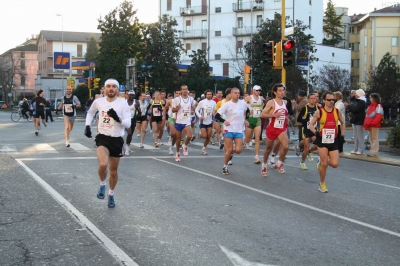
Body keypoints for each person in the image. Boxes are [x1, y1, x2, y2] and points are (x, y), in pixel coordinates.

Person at [84, 78, 131, 208]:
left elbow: (128, 123)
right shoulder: (99, 101)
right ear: (104, 89)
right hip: (103, 138)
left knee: (113, 172)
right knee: (103, 165)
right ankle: (102, 185)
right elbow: (90, 112)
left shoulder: (123, 103)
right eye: (108, 86)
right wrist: (88, 125)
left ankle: (111, 194)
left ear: (117, 90)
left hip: (117, 139)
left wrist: (118, 119)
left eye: (114, 86)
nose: (111, 89)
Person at [309, 91, 345, 193]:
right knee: (325, 163)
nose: (331, 102)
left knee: (335, 164)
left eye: (333, 100)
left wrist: (342, 135)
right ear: (324, 100)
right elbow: (311, 125)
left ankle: (321, 163)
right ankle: (322, 183)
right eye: (329, 100)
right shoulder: (319, 112)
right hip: (322, 140)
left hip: (333, 140)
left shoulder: (337, 111)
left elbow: (342, 123)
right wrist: (315, 132)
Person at [215, 87, 248, 174]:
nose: (237, 95)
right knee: (229, 149)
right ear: (231, 94)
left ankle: (230, 154)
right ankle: (225, 167)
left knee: (238, 150)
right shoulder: (227, 104)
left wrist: (246, 120)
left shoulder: (243, 103)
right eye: (235, 93)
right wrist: (224, 121)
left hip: (239, 130)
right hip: (228, 129)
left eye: (238, 93)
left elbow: (247, 111)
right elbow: (217, 115)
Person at [261, 84, 289, 177]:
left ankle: (279, 163)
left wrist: (286, 119)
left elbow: (284, 114)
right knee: (268, 149)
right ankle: (264, 165)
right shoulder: (271, 102)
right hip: (272, 128)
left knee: (285, 146)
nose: (282, 92)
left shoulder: (284, 102)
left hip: (281, 128)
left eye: (283, 90)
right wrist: (274, 115)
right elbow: (262, 114)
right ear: (275, 92)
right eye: (280, 90)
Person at [171, 84, 195, 162]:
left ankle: (185, 145)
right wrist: (177, 108)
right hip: (178, 121)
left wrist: (192, 110)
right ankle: (177, 153)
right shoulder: (177, 99)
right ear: (181, 91)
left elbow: (193, 106)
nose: (185, 90)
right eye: (183, 89)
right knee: (178, 139)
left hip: (187, 121)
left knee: (189, 136)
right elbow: (173, 110)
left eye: (186, 89)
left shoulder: (191, 99)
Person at [296, 93, 319, 170]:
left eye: (314, 98)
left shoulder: (317, 108)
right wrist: (306, 119)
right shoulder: (305, 108)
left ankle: (310, 151)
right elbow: (299, 119)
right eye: (311, 98)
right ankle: (302, 162)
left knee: (318, 145)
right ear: (308, 99)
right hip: (306, 129)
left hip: (313, 129)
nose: (313, 100)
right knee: (306, 147)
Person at [244, 85, 264, 164]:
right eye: (257, 90)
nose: (258, 92)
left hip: (257, 120)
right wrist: (246, 116)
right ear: (253, 90)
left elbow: (262, 108)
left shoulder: (261, 98)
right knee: (248, 139)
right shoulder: (248, 98)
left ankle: (256, 156)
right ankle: (244, 142)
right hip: (250, 120)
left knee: (257, 138)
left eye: (259, 90)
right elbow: (242, 107)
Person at [195, 89, 216, 155]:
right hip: (203, 121)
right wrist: (200, 116)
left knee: (208, 136)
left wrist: (214, 114)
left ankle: (203, 149)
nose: (209, 95)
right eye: (208, 94)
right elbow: (196, 110)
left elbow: (214, 111)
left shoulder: (213, 102)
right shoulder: (202, 102)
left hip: (209, 121)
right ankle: (201, 133)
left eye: (210, 94)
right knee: (204, 136)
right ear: (205, 95)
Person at [346, 89, 366, 155]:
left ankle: (360, 149)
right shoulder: (357, 101)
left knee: (359, 135)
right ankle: (355, 148)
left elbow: (355, 109)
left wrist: (348, 106)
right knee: (355, 135)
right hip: (355, 120)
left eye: (356, 94)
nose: (355, 95)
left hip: (359, 120)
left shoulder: (362, 102)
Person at [124, 90, 138, 155]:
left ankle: (127, 146)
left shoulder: (136, 102)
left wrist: (137, 108)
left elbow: (140, 112)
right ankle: (125, 147)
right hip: (125, 119)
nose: (131, 96)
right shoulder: (124, 102)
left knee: (130, 134)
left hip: (133, 120)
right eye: (130, 95)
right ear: (128, 95)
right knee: (128, 133)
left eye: (133, 95)